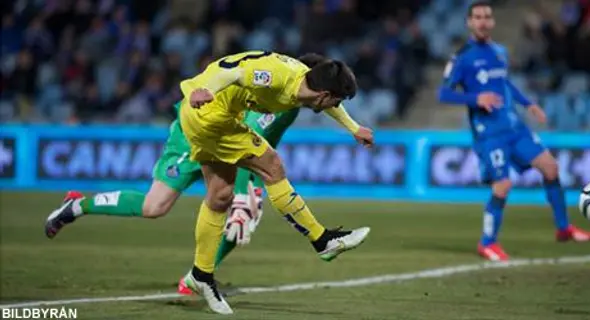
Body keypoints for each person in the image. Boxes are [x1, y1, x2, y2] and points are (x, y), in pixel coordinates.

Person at [43, 54, 352, 294]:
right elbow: (247, 138)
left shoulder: (291, 102)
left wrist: (251, 192)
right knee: (156, 207)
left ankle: (197, 277)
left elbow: (257, 148)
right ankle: (77, 206)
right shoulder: (282, 100)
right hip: (194, 135)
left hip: (227, 142)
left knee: (239, 218)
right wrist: (247, 194)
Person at [175, 51, 373, 314]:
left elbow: (333, 104)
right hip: (209, 113)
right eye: (334, 101)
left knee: (220, 195)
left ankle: (200, 275)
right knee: (273, 167)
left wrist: (353, 128)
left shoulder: (305, 79)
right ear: (324, 95)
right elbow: (233, 73)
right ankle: (322, 240)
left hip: (206, 114)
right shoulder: (277, 77)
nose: (333, 107)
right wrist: (204, 90)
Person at [438, 1, 590, 262]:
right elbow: (443, 93)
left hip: (514, 126)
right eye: (477, 17)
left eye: (487, 16)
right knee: (503, 185)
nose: (483, 21)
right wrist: (476, 99)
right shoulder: (462, 57)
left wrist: (528, 103)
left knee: (551, 168)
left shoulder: (500, 52)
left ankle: (563, 228)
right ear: (469, 22)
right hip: (489, 133)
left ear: (493, 22)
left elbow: (504, 83)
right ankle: (487, 242)